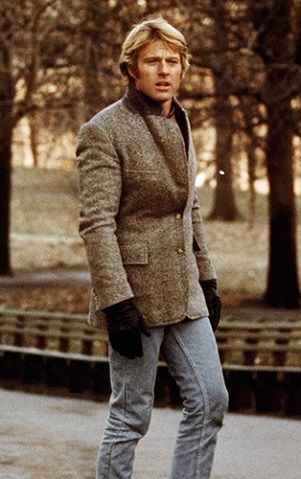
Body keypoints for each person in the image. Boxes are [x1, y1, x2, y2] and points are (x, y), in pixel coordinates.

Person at [76, 17, 228, 479]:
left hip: (185, 293)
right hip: (135, 298)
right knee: (130, 416)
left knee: (210, 400)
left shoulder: (182, 120)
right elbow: (96, 224)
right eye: (152, 62)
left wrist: (207, 276)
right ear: (131, 70)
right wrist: (116, 302)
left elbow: (190, 209)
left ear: (183, 68)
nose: (164, 70)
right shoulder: (104, 130)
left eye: (172, 61)